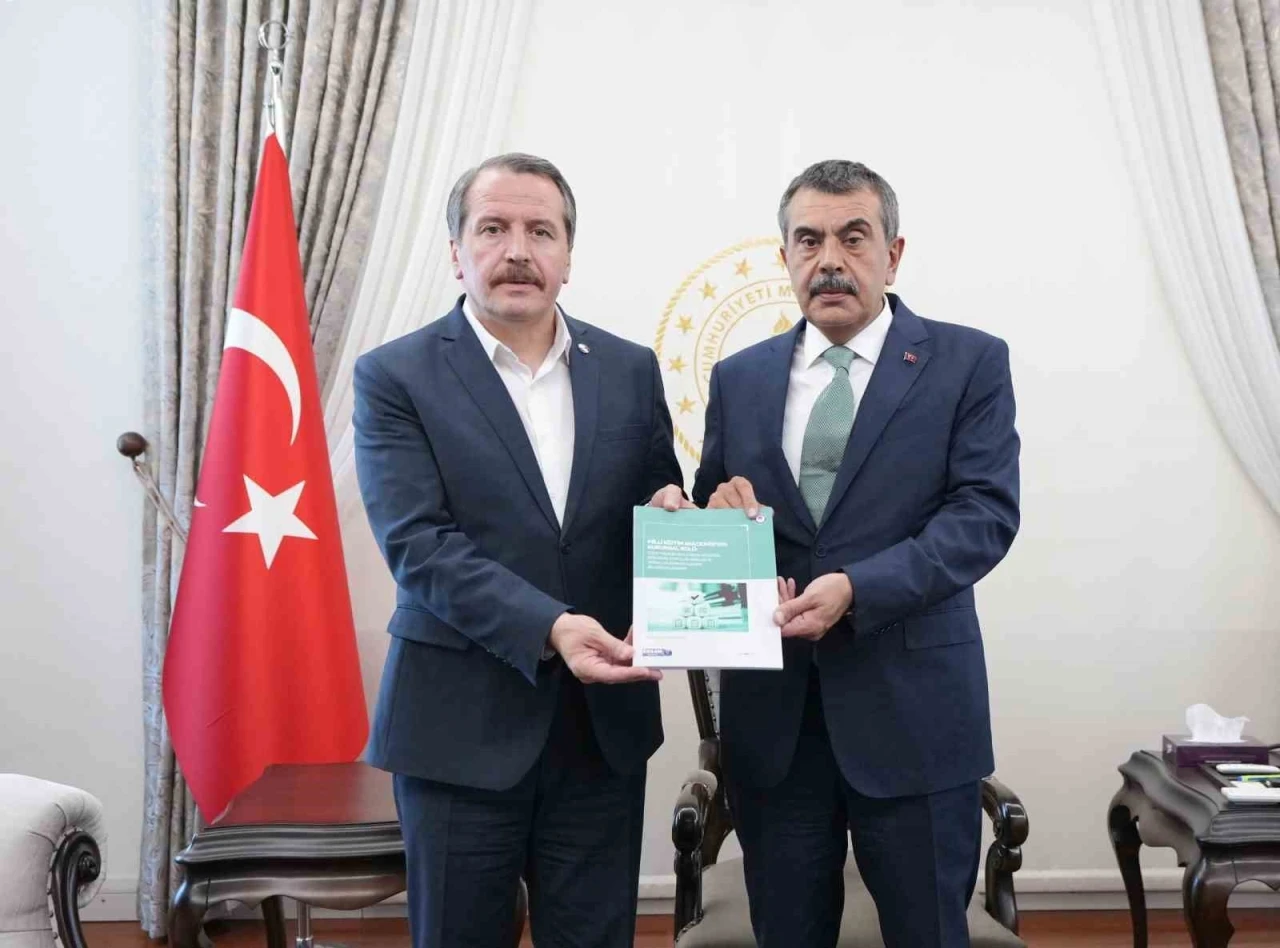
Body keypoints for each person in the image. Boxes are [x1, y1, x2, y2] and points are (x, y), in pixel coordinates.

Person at [353, 153, 687, 948]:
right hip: (457, 727)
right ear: (456, 252)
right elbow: (418, 546)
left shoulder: (630, 370)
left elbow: (656, 496)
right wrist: (552, 627)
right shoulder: (394, 376)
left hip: (601, 733)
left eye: (541, 231)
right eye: (493, 228)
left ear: (568, 255)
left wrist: (672, 514)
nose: (517, 251)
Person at [692, 159, 1020, 948]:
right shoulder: (739, 378)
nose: (829, 259)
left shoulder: (968, 363)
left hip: (916, 720)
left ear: (893, 254)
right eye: (808, 240)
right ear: (785, 257)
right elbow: (716, 507)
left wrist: (857, 588)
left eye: (853, 237)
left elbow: (983, 516)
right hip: (775, 729)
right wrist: (711, 512)